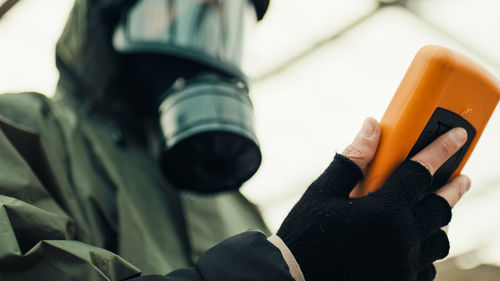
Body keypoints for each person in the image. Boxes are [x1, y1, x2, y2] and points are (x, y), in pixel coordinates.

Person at [0, 0, 470, 280]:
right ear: (112, 16)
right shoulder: (20, 128)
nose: (210, 49)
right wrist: (285, 267)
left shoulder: (236, 207)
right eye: (188, 16)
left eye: (229, 26)